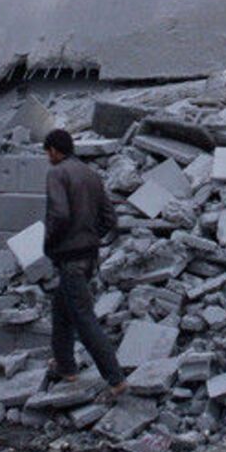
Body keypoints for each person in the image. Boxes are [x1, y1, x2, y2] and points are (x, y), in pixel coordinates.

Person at [41, 127, 128, 400]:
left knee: (83, 317)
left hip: (69, 257)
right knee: (61, 308)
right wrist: (91, 237)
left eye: (47, 152)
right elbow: (110, 219)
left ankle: (115, 378)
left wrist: (50, 244)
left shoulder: (57, 173)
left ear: (54, 150)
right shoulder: (90, 174)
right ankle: (65, 366)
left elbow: (60, 214)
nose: (47, 157)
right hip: (90, 256)